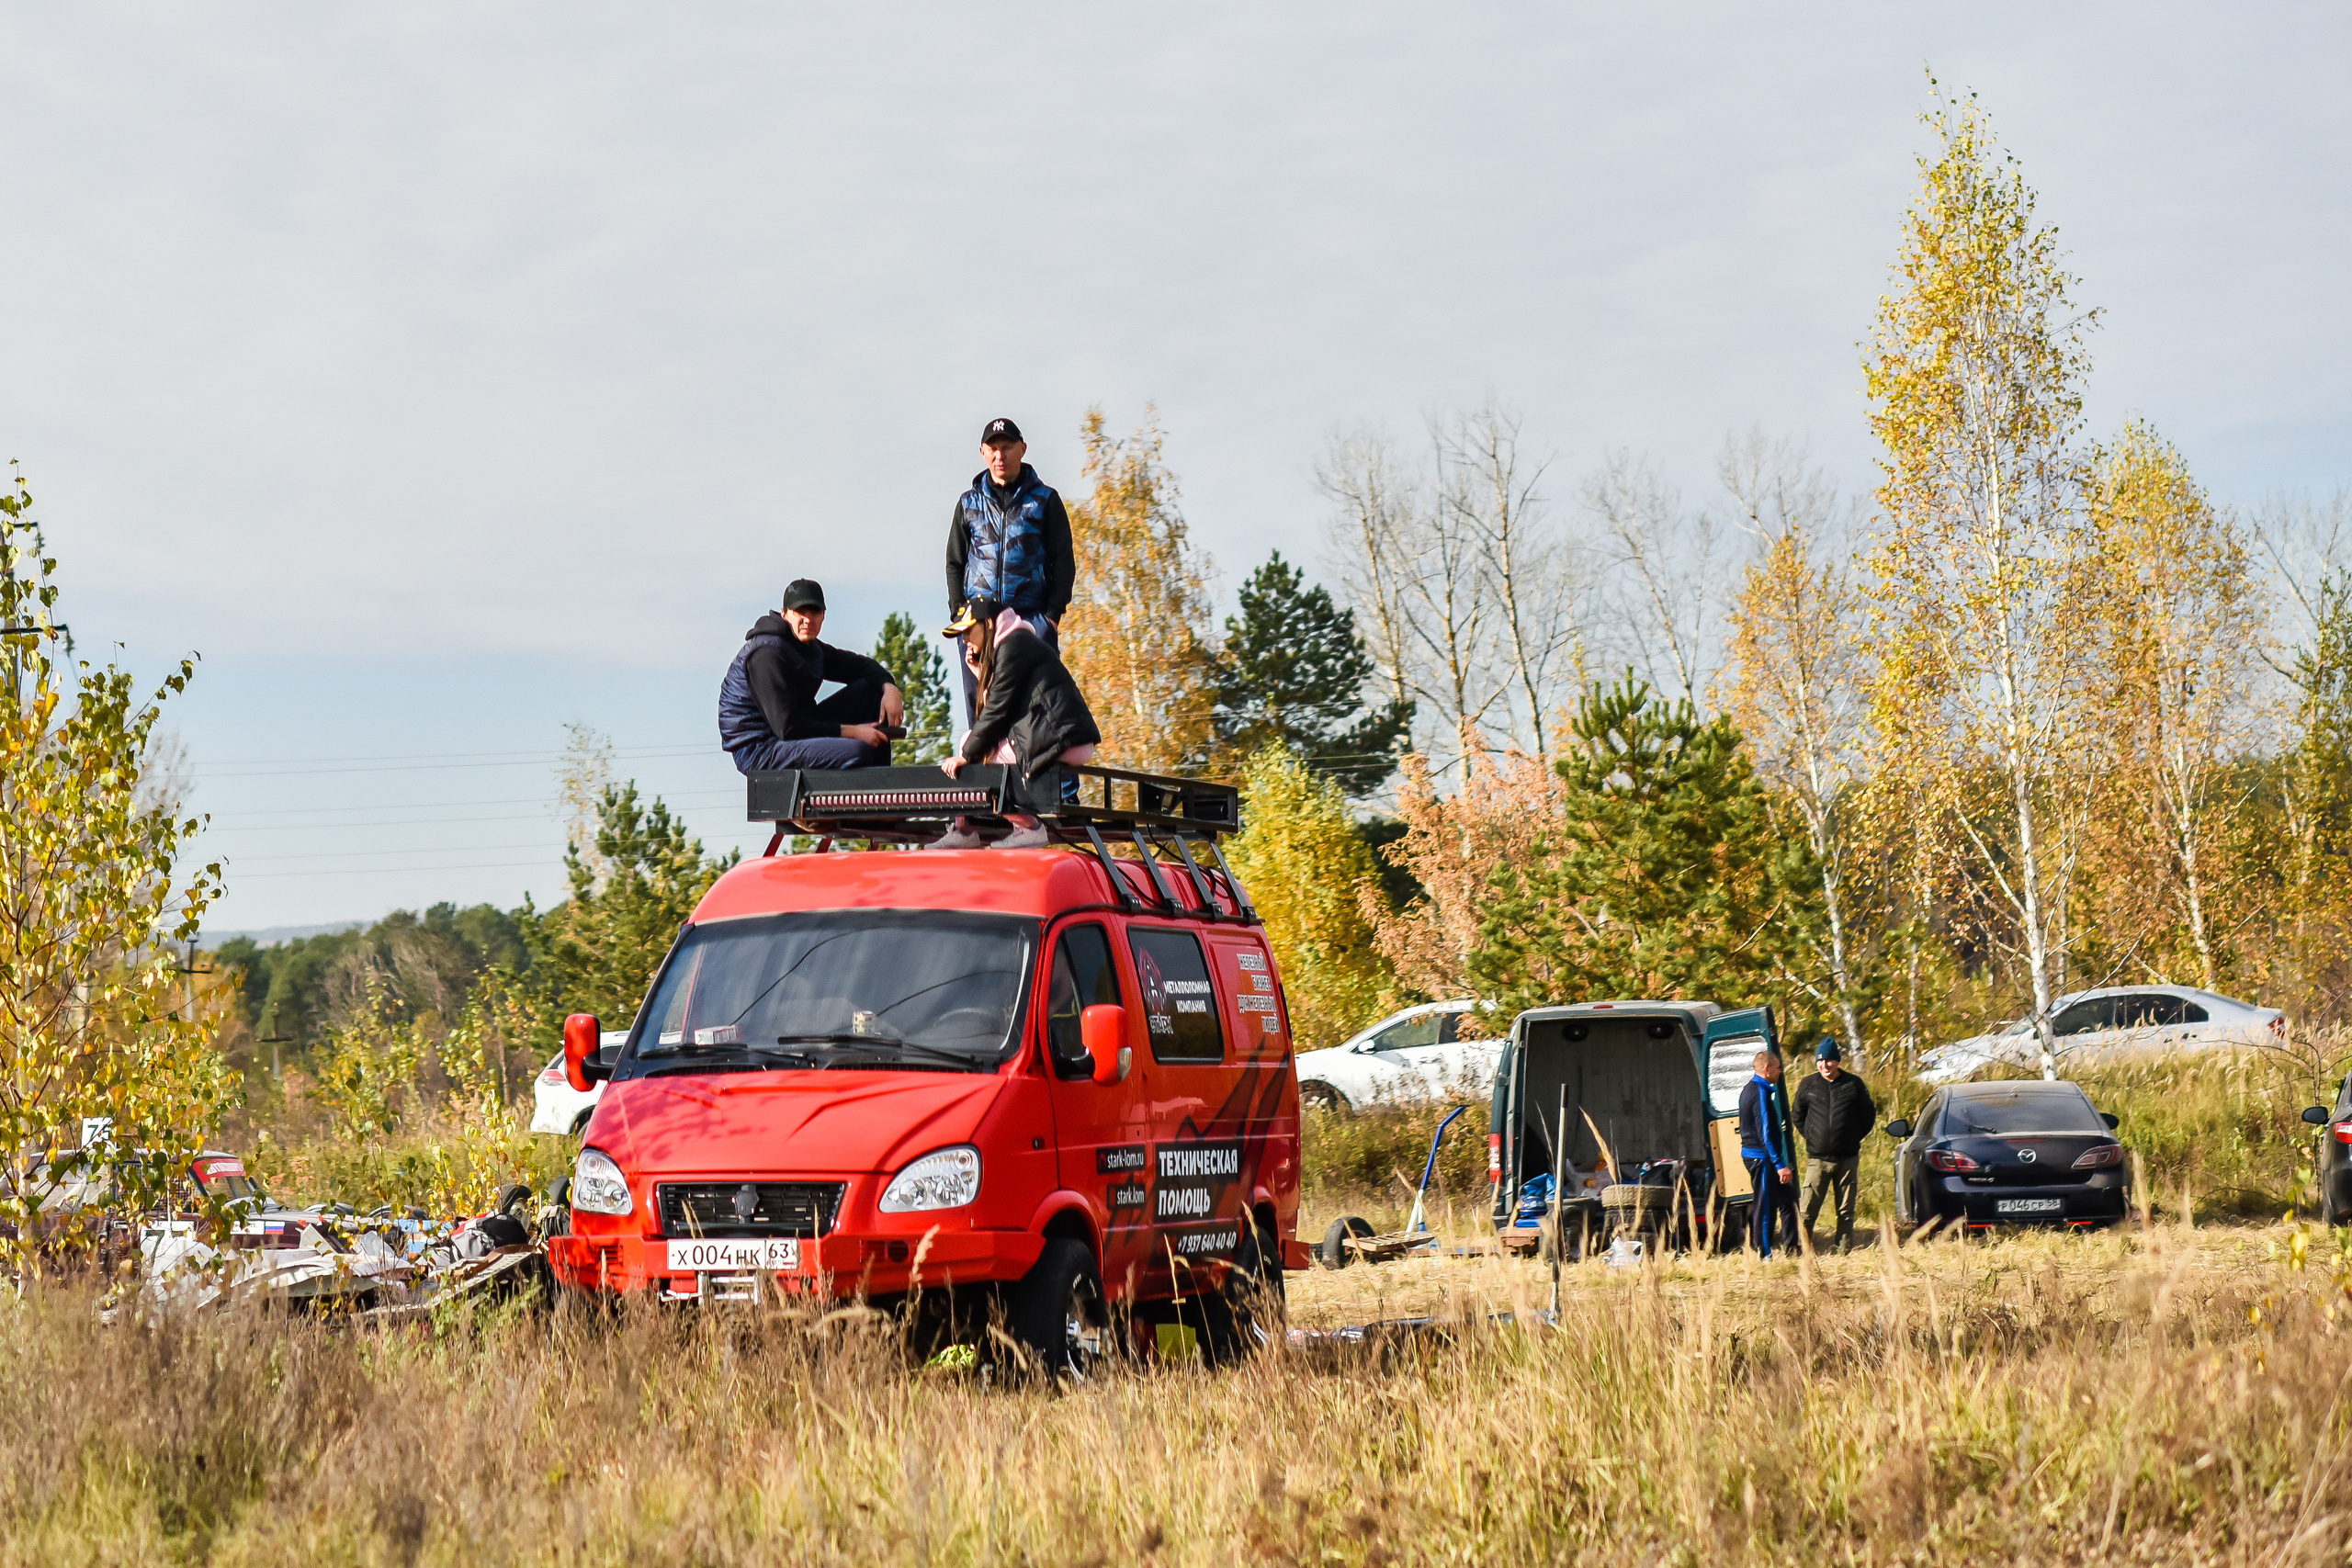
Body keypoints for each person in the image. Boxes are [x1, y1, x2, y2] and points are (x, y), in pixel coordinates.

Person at [924, 602, 1101, 851]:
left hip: (1061, 738)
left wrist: (967, 756)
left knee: (976, 751)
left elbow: (997, 710)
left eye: (967, 631)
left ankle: (1027, 829)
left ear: (987, 624)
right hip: (1059, 736)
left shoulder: (1013, 645)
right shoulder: (1014, 644)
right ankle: (966, 829)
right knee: (974, 744)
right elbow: (999, 704)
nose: (964, 640)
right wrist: (979, 672)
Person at [944, 418, 1075, 728]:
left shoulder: (1044, 500)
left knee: (1039, 704)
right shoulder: (969, 503)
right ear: (982, 453)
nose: (999, 456)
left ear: (1022, 450)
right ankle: (986, 774)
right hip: (979, 623)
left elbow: (1064, 560)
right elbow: (954, 562)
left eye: (1007, 447)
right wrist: (959, 615)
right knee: (982, 705)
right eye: (993, 449)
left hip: (1031, 618)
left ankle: (1036, 773)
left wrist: (1052, 617)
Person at [718, 580, 905, 772]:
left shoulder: (808, 647)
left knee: (871, 690)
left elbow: (859, 666)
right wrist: (854, 732)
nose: (808, 620)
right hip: (759, 748)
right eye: (800, 612)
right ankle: (862, 797)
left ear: (823, 615)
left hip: (794, 730)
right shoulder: (767, 654)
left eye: (814, 612)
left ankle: (883, 788)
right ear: (785, 614)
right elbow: (787, 727)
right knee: (859, 750)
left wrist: (889, 688)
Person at [1792, 1036, 1878, 1254]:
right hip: (1818, 1160)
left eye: (1830, 1061)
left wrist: (1853, 1137)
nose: (1825, 1065)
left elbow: (1868, 1115)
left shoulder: (1853, 1084)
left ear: (1838, 1061)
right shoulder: (1808, 1084)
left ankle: (1843, 1250)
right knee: (1807, 1209)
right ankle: (1803, 1249)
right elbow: (1797, 1116)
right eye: (1821, 1061)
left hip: (1847, 1158)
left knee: (1846, 1210)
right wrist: (1812, 1136)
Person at [1736, 1049, 1799, 1258]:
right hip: (1761, 1158)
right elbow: (1765, 1133)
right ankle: (1763, 1253)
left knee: (1789, 1201)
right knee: (1765, 1206)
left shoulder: (1755, 1089)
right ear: (1767, 1068)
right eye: (1778, 1067)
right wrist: (1779, 1163)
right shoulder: (1759, 1092)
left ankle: (1793, 1249)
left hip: (1763, 1156)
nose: (1781, 1071)